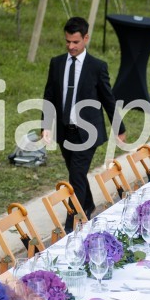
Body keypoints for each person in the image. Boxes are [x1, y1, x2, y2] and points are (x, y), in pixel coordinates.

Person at [42, 16, 126, 229]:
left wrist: (119, 127)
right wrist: (46, 125)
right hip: (65, 132)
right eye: (68, 41)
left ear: (86, 38)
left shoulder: (97, 67)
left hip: (88, 132)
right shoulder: (57, 63)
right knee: (76, 174)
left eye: (76, 42)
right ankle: (87, 204)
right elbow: (50, 95)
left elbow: (108, 98)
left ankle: (72, 222)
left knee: (76, 175)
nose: (71, 46)